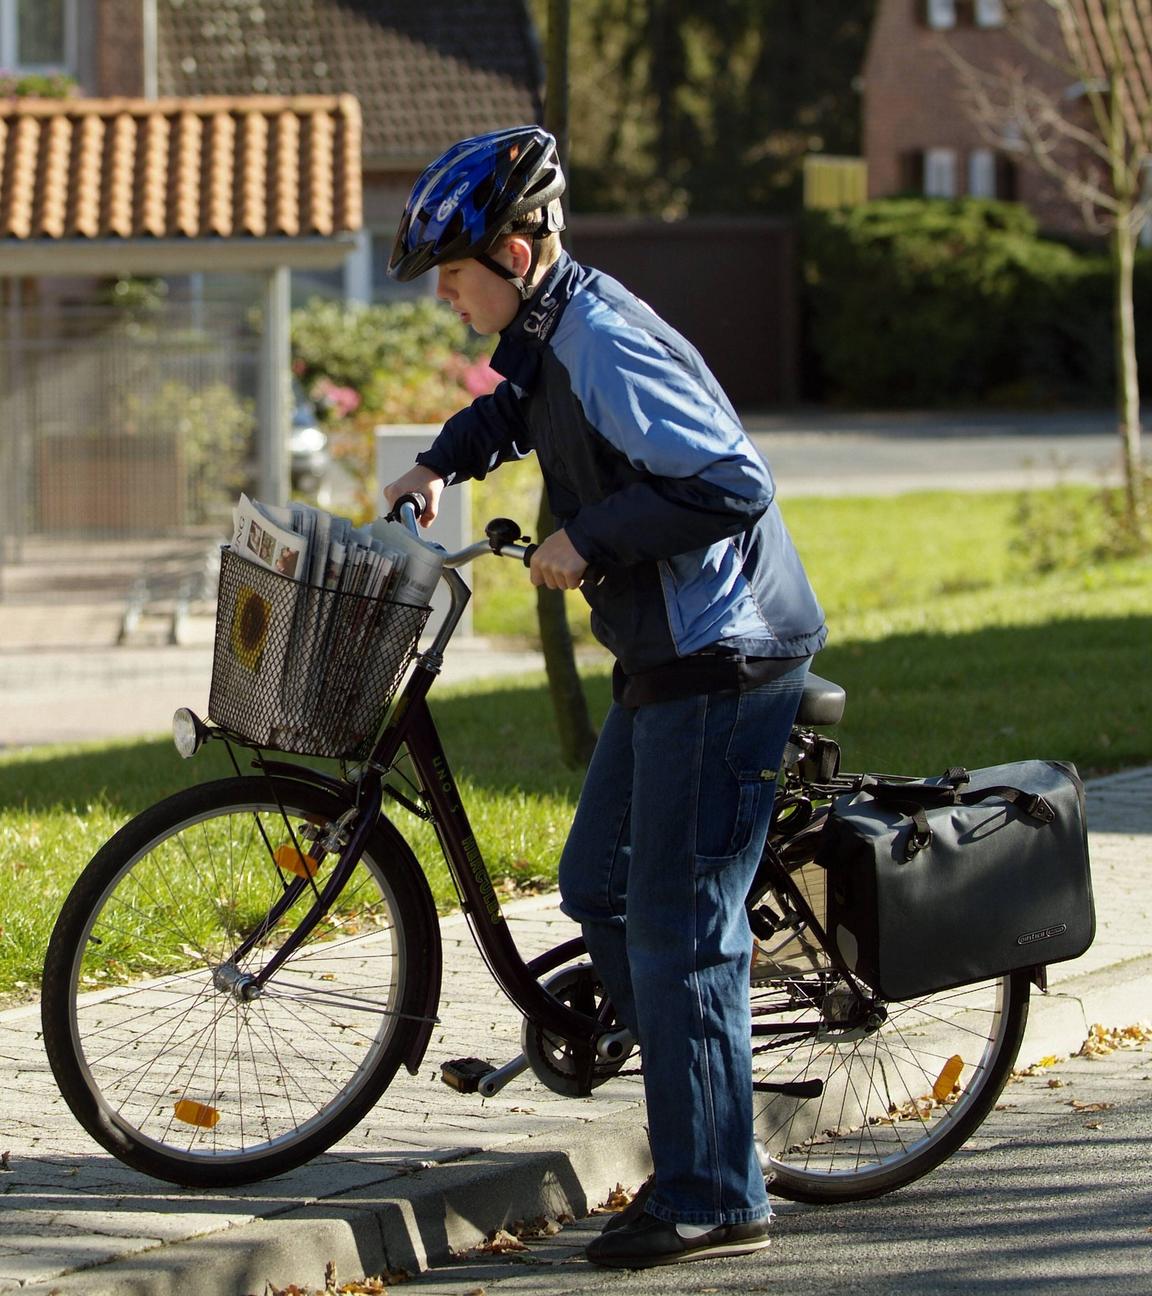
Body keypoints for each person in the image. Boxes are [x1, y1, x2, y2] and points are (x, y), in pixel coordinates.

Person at [383, 125, 826, 1270]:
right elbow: (516, 409)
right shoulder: (549, 329)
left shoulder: (603, 341)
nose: (445, 296)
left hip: (725, 656)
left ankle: (713, 1194)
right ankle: (694, 1079)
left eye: (453, 272)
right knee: (597, 884)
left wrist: (591, 534)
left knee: (682, 931)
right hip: (667, 652)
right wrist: (439, 462)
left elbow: (732, 482)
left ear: (517, 255)